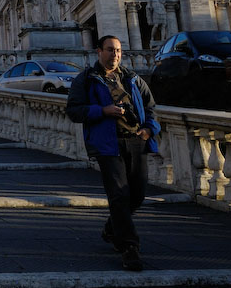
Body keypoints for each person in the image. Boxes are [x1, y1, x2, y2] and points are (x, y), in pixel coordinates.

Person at [66, 35, 160, 272]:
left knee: (137, 194)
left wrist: (149, 130)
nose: (115, 55)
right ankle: (130, 248)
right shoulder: (86, 79)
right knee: (118, 194)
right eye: (110, 50)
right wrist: (103, 110)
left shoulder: (133, 78)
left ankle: (112, 228)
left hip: (136, 140)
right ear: (98, 51)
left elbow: (151, 107)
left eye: (118, 51)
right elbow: (74, 111)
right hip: (108, 144)